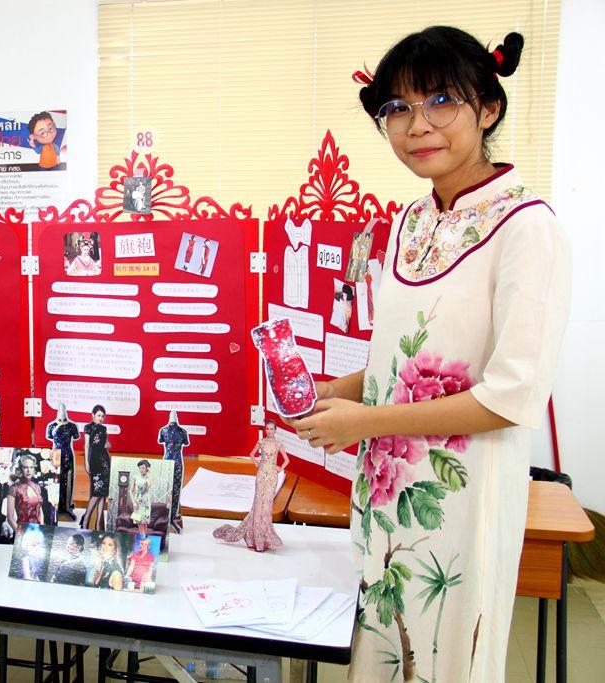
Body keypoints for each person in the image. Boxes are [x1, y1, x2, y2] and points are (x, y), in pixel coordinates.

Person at [289, 29, 569, 681]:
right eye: (398, 108)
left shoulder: (528, 228)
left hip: (461, 495)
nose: (417, 125)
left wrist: (364, 422)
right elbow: (404, 355)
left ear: (489, 109)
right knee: (381, 648)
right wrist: (341, 388)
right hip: (386, 489)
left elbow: (509, 396)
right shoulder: (412, 220)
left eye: (441, 100)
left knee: (445, 654)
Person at [213, 420, 288, 552]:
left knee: (267, 506)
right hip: (261, 474)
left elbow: (287, 460)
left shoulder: (278, 444)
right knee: (258, 504)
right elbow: (252, 454)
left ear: (275, 430)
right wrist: (257, 464)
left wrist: (279, 469)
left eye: (271, 429)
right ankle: (254, 538)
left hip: (272, 476)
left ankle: (262, 538)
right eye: (267, 429)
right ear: (265, 430)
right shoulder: (261, 442)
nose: (269, 431)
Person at [80, 404, 111, 529]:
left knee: (103, 494)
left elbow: (105, 444)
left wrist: (108, 444)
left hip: (105, 462)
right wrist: (86, 462)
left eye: (103, 416)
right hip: (94, 461)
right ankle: (86, 520)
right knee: (96, 492)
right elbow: (86, 446)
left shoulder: (104, 428)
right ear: (93, 415)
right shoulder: (88, 427)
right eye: (98, 415)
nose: (101, 418)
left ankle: (99, 525)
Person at [7, 454, 44, 535]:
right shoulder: (14, 488)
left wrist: (41, 528)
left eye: (31, 467)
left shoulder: (37, 487)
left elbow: (40, 511)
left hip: (37, 531)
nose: (29, 470)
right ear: (20, 469)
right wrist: (20, 534)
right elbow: (10, 518)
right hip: (21, 531)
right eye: (25, 467)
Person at [128, 459, 154, 536]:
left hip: (146, 502)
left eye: (143, 468)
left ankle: (144, 538)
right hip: (138, 502)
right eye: (140, 468)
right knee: (140, 522)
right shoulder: (135, 477)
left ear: (147, 468)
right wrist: (134, 502)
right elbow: (130, 491)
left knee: (145, 522)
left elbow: (149, 485)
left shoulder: (149, 477)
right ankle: (142, 538)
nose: (141, 470)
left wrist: (150, 473)